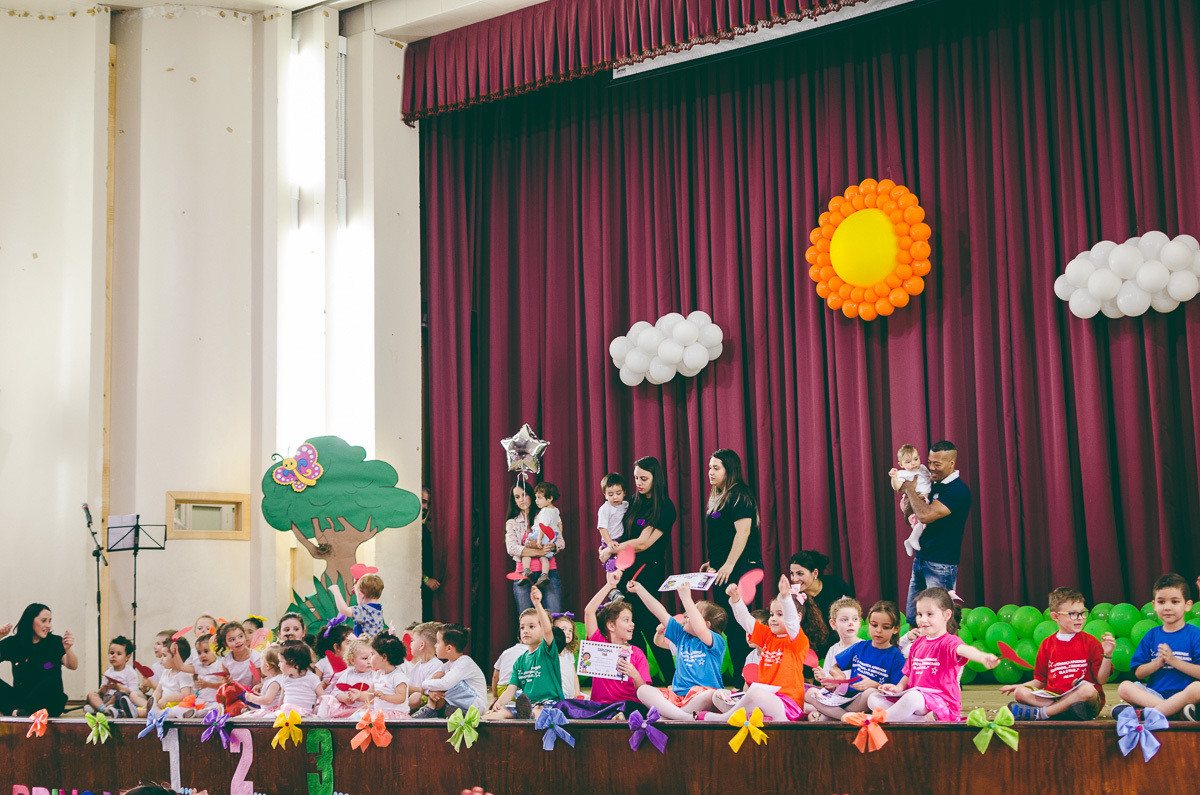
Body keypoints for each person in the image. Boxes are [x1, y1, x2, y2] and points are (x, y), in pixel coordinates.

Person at [868, 587, 998, 722]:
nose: (923, 620)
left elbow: (964, 649)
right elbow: (908, 674)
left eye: (929, 614)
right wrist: (898, 688)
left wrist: (982, 657)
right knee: (873, 698)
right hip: (917, 702)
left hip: (941, 704)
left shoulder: (949, 641)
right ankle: (920, 720)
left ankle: (874, 720)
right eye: (920, 614)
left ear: (946, 615)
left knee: (913, 697)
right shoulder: (917, 644)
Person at [702, 575, 809, 722]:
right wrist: (736, 600)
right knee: (719, 695)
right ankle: (746, 714)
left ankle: (725, 717)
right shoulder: (768, 636)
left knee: (756, 694)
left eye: (780, 614)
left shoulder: (797, 640)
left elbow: (792, 622)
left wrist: (786, 599)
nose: (773, 618)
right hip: (763, 701)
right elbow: (746, 621)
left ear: (798, 617)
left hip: (788, 706)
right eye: (772, 614)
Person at [1003, 586, 1114, 721]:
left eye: (1082, 613)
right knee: (1020, 692)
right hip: (1055, 696)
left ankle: (1043, 713)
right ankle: (1065, 711)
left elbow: (1101, 680)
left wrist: (1107, 655)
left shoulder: (1091, 642)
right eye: (1072, 614)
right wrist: (1019, 686)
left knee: (1087, 689)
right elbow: (1040, 681)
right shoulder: (1047, 644)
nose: (1080, 618)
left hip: (1084, 700)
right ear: (1055, 616)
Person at [698, 449, 763, 676]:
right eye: (710, 467)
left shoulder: (739, 495)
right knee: (727, 624)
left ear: (730, 470)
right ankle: (739, 677)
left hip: (741, 567)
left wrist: (728, 564)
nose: (710, 472)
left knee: (737, 625)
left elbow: (743, 532)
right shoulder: (721, 496)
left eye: (716, 468)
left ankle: (743, 679)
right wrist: (713, 562)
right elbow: (724, 536)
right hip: (724, 568)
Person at [557, 570, 652, 720]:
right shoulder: (598, 644)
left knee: (634, 708)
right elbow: (589, 612)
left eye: (631, 620)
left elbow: (645, 692)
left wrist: (634, 674)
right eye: (626, 620)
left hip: (627, 705)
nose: (632, 624)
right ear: (611, 626)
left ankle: (618, 715)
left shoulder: (637, 653)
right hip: (599, 707)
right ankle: (613, 716)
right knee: (563, 705)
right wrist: (609, 585)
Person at [627, 579, 728, 720]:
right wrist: (639, 589)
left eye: (692, 612)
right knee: (643, 691)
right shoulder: (682, 636)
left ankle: (672, 715)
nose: (686, 614)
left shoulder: (717, 640)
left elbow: (700, 629)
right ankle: (685, 717)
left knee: (712, 695)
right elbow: (660, 612)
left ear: (707, 624)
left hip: (701, 696)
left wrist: (686, 598)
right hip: (677, 697)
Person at [615, 456, 677, 681]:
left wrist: (613, 548)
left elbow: (643, 543)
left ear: (655, 478)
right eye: (636, 478)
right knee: (630, 626)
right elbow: (625, 535)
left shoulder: (665, 507)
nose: (638, 483)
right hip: (627, 569)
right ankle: (640, 678)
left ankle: (672, 678)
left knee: (650, 625)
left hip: (649, 571)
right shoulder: (634, 501)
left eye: (644, 478)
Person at [899, 441, 972, 626]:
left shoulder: (957, 490)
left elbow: (925, 515)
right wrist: (908, 507)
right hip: (921, 559)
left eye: (937, 464)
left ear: (951, 463)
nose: (931, 467)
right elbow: (912, 517)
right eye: (930, 462)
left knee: (941, 623)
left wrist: (909, 488)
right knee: (914, 619)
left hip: (941, 564)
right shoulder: (931, 484)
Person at [1116, 573, 1200, 721]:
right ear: (1154, 605)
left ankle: (1145, 714)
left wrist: (1174, 661)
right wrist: (1157, 663)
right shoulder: (1151, 635)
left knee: (1197, 688)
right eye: (1161, 602)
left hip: (1185, 696)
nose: (1167, 607)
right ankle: (1173, 712)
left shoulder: (1194, 634)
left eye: (1174, 602)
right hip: (1155, 695)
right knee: (1124, 687)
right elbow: (1139, 673)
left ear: (1187, 605)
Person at [806, 600, 905, 721]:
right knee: (810, 692)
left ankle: (833, 716)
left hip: (864, 701)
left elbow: (895, 693)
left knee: (871, 693)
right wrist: (839, 677)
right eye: (874, 625)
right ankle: (845, 717)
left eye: (885, 627)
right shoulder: (860, 647)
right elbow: (835, 667)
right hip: (845, 699)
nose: (878, 630)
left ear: (895, 629)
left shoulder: (896, 657)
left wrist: (874, 685)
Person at [484, 585, 565, 721]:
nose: (525, 631)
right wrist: (499, 703)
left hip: (551, 705)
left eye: (531, 626)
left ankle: (530, 715)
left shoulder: (547, 651)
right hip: (527, 706)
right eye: (522, 627)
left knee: (540, 710)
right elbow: (511, 689)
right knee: (502, 711)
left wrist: (537, 604)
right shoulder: (520, 661)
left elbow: (548, 631)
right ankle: (475, 720)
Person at [0, 603, 78, 717]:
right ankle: (18, 712)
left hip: (46, 700)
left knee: (52, 680)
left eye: (49, 621)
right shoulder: (14, 642)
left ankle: (16, 712)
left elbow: (72, 665)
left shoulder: (55, 642)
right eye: (43, 621)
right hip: (21, 698)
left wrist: (68, 649)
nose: (48, 625)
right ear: (29, 621)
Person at [506, 481, 564, 614]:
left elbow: (561, 542)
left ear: (531, 496)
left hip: (548, 573)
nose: (521, 499)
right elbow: (512, 548)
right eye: (517, 497)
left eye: (524, 495)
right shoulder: (512, 522)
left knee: (554, 617)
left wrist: (552, 546)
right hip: (523, 575)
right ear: (514, 501)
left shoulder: (546, 514)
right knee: (527, 619)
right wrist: (540, 551)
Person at [414, 624, 488, 718]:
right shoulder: (448, 664)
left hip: (475, 706)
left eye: (438, 642)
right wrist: (430, 692)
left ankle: (432, 710)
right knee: (438, 676)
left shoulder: (465, 662)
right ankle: (437, 710)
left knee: (442, 680)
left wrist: (424, 685)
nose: (435, 645)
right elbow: (429, 681)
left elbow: (445, 684)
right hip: (460, 702)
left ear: (449, 648)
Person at [787, 550, 847, 654]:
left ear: (815, 573)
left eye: (800, 573)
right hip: (812, 651)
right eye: (792, 573)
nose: (794, 579)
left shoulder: (836, 585)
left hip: (842, 646)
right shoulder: (795, 598)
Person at [889, 444, 932, 557]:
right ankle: (912, 539)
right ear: (901, 464)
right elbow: (897, 487)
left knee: (921, 522)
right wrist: (894, 477)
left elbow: (929, 478)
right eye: (908, 462)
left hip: (922, 499)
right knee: (922, 519)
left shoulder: (922, 468)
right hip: (913, 499)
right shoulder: (903, 473)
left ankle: (910, 539)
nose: (913, 463)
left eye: (916, 459)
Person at [317, 637, 375, 718]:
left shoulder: (375, 676)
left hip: (366, 710)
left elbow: (375, 697)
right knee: (327, 699)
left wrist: (360, 696)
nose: (369, 661)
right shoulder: (347, 674)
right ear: (352, 660)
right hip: (346, 708)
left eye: (372, 657)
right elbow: (336, 691)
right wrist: (345, 698)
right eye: (365, 658)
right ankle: (320, 720)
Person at [520, 482, 563, 587]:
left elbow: (542, 527)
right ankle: (544, 575)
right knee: (544, 557)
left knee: (526, 551)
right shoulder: (555, 510)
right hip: (552, 535)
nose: (536, 501)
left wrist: (539, 540)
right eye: (535, 498)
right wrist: (558, 535)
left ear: (550, 498)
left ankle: (526, 570)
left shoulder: (545, 511)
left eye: (539, 498)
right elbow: (560, 524)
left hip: (540, 534)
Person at [86, 635, 139, 717]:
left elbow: (134, 691)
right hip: (107, 698)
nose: (114, 656)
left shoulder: (130, 672)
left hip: (119, 699)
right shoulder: (108, 672)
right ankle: (103, 709)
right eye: (111, 653)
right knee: (91, 694)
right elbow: (102, 691)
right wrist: (102, 690)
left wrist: (118, 687)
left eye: (118, 654)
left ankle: (100, 709)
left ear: (127, 657)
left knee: (119, 694)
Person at [152, 638, 196, 718]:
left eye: (164, 655)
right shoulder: (165, 672)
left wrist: (166, 699)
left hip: (178, 705)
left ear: (176, 657)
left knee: (175, 710)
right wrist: (153, 701)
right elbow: (158, 691)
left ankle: (158, 714)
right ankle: (134, 712)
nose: (161, 659)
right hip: (165, 705)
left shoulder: (184, 674)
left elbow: (185, 695)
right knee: (146, 711)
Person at [331, 572, 386, 637]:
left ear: (361, 595)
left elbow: (344, 610)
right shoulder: (378, 610)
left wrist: (336, 592)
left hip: (365, 643)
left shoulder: (364, 610)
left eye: (357, 595)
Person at [405, 621, 444, 712]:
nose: (410, 644)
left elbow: (426, 690)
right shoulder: (418, 665)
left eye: (413, 640)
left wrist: (404, 687)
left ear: (421, 645)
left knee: (416, 697)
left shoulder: (437, 666)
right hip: (412, 701)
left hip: (427, 704)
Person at [819, 598, 864, 675]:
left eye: (855, 619)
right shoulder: (832, 650)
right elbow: (828, 677)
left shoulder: (865, 648)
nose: (851, 623)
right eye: (845, 620)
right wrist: (823, 677)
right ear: (833, 624)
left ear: (859, 622)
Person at [370, 633, 410, 718]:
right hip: (380, 714)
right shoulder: (378, 675)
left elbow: (401, 697)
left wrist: (385, 696)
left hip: (395, 717)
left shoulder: (398, 676)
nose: (370, 657)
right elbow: (370, 694)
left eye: (373, 654)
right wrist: (358, 695)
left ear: (384, 657)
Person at [595, 473, 629, 572]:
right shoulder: (605, 509)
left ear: (624, 493)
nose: (615, 497)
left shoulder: (626, 505)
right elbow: (602, 528)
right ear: (605, 495)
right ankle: (611, 579)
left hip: (622, 540)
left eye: (618, 493)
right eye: (610, 494)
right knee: (612, 563)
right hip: (610, 540)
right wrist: (609, 542)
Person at [421, 486, 445, 621]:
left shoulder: (424, 529)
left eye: (428, 504)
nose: (426, 507)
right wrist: (426, 579)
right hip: (421, 589)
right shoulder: (416, 530)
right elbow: (413, 561)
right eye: (423, 501)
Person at [218, 621, 263, 689]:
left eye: (240, 636)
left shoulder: (254, 657)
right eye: (232, 640)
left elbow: (256, 683)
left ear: (245, 636)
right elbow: (224, 680)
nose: (237, 641)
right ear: (225, 644)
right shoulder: (226, 660)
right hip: (233, 691)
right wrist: (227, 681)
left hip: (250, 692)